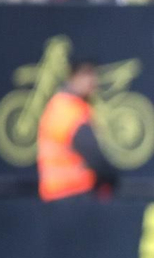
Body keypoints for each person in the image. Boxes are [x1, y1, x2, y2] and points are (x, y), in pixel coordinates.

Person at [37, 62, 118, 202]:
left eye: (93, 74)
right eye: (86, 74)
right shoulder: (66, 110)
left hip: (62, 195)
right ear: (72, 77)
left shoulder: (64, 106)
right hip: (70, 196)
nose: (92, 81)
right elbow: (93, 154)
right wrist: (112, 178)